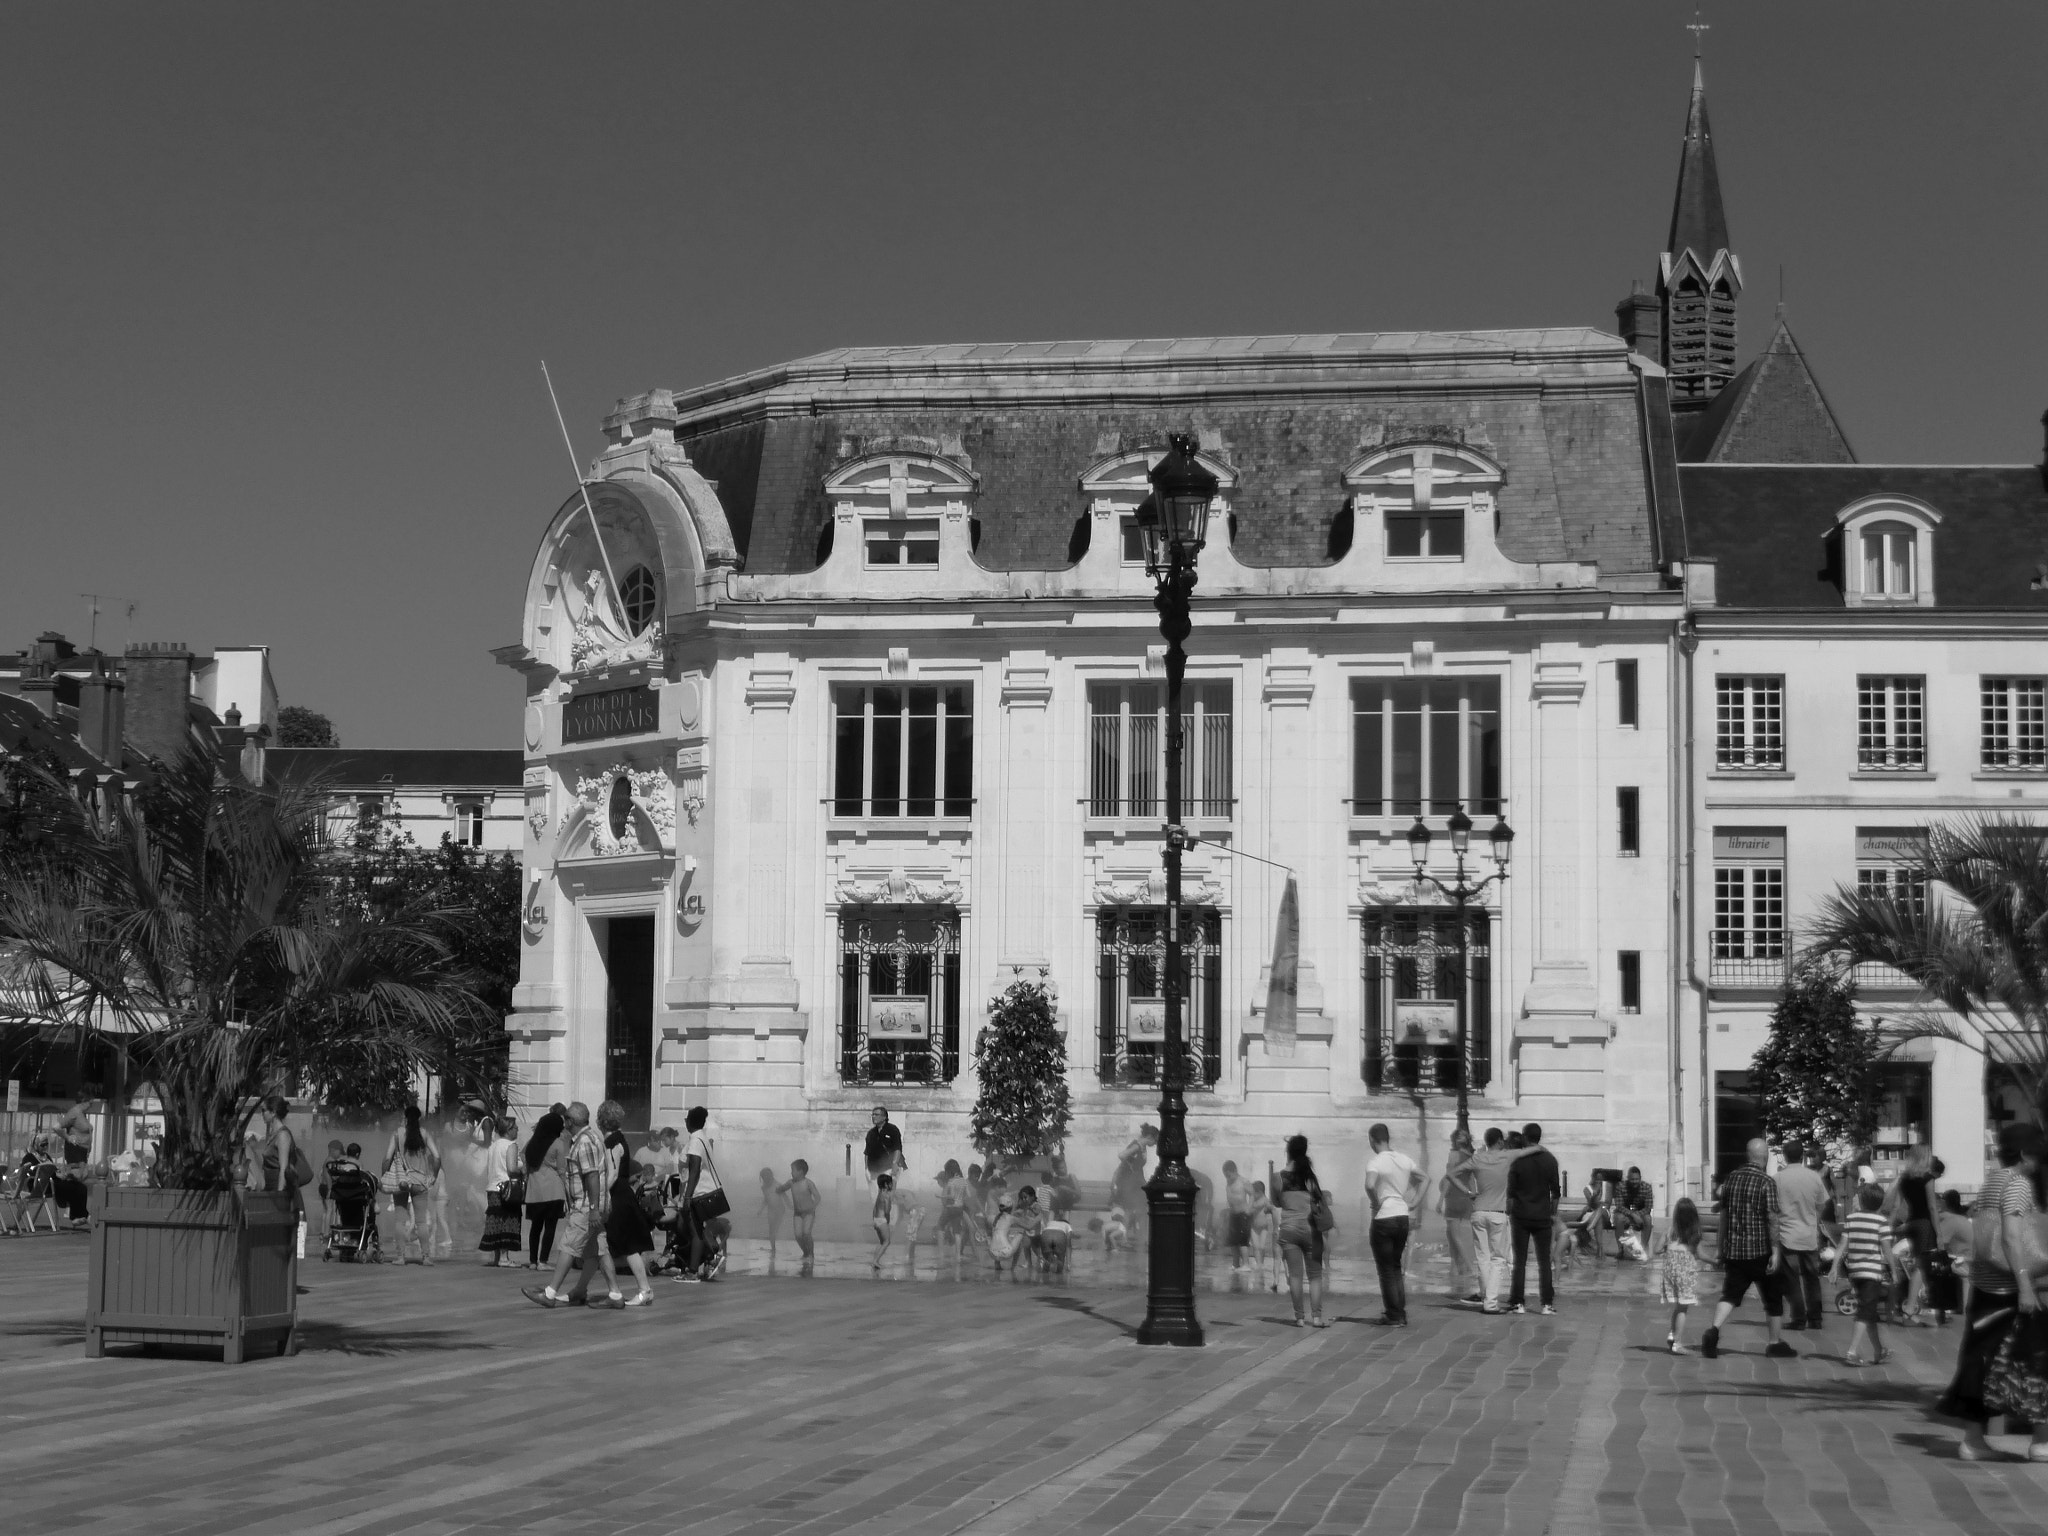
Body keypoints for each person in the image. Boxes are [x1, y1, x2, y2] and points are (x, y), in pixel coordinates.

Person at [1938, 1121, 2047, 1462]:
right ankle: (2037, 1441)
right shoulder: (2018, 1185)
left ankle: (1975, 1439)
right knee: (2030, 1361)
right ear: (2026, 1154)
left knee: (1982, 1360)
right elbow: (2011, 1237)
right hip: (2009, 1288)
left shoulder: (1992, 1182)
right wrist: (2026, 1284)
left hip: (1984, 1286)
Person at [524, 1101, 625, 1309]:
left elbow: (592, 1176)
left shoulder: (585, 1142)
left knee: (568, 1246)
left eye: (566, 1118)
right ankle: (614, 1294)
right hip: (593, 1205)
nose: (564, 1122)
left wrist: (594, 1208)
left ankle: (550, 1293)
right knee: (599, 1248)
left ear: (571, 1121)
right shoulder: (589, 1138)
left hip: (587, 1206)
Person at [1702, 1137, 1796, 1360]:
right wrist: (1775, 1251)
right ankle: (1774, 1343)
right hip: (1760, 1252)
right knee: (1773, 1298)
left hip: (1735, 1251)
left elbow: (1724, 1217)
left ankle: (1713, 1331)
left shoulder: (1731, 1180)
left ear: (1747, 1156)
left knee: (1730, 1295)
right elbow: (1772, 1218)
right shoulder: (1766, 1182)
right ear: (1764, 1157)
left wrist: (1720, 1247)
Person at [1363, 1123, 1424, 1326]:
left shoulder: (1376, 1161)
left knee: (1386, 1269)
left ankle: (1393, 1314)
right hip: (1402, 1216)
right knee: (1396, 1266)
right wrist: (1415, 1201)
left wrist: (1375, 1200)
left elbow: (1370, 1184)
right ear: (1388, 1138)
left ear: (1372, 1139)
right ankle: (1400, 1311)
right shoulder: (1404, 1159)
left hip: (1383, 1217)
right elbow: (1425, 1178)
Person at [597, 1101, 657, 1306]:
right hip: (624, 1194)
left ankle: (644, 1290)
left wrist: (600, 1194)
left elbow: (612, 1173)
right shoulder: (620, 1138)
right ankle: (643, 1290)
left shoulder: (611, 1142)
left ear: (601, 1121)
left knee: (628, 1247)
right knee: (620, 1245)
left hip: (617, 1196)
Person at [1505, 1123, 1561, 1316]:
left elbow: (1510, 1191)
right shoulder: (1550, 1160)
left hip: (1521, 1215)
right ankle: (1546, 1303)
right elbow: (1556, 1192)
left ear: (1525, 1137)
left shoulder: (1517, 1161)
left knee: (1520, 1261)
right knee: (1544, 1261)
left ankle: (1518, 1303)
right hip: (1542, 1215)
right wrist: (1552, 1213)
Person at [1773, 1141, 1829, 1333]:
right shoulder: (1814, 1177)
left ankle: (1798, 1318)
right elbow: (1822, 1204)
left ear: (1785, 1155)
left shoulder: (1778, 1178)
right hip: (1809, 1234)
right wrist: (1814, 1219)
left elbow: (1772, 1207)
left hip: (1787, 1234)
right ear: (1802, 1156)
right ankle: (1815, 1317)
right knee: (1812, 1277)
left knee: (1791, 1279)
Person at [1835, 1182, 1892, 1366]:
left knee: (1870, 1312)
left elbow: (1842, 1246)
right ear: (1880, 1203)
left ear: (1861, 1200)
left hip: (1856, 1273)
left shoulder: (1851, 1219)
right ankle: (1851, 1351)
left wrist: (1834, 1266)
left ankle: (1878, 1351)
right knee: (1865, 1312)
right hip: (1872, 1273)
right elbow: (1887, 1250)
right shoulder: (1881, 1222)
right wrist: (1894, 1270)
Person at [1275, 1134, 1327, 1328]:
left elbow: (1276, 1201)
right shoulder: (1310, 1178)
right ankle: (1316, 1318)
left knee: (1295, 1275)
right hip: (1311, 1231)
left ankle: (1299, 1318)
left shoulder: (1278, 1177)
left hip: (1288, 1230)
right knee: (1315, 1275)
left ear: (1288, 1152)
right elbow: (1319, 1201)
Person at [1890, 1142, 1945, 1323]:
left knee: (1917, 1265)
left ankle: (1912, 1306)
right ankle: (1911, 1307)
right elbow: (1931, 1206)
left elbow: (1897, 1206)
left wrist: (1890, 1227)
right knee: (1921, 1267)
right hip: (1924, 1224)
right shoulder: (1927, 1178)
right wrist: (1939, 1234)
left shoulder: (1904, 1178)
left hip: (1911, 1223)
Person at [382, 1105, 440, 1265]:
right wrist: (433, 1176)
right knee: (421, 1222)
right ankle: (426, 1257)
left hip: (401, 1181)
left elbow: (387, 1158)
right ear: (419, 1118)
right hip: (420, 1182)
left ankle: (400, 1257)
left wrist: (384, 1177)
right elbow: (437, 1157)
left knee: (400, 1220)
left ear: (405, 1118)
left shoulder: (397, 1134)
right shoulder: (425, 1135)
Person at [1470, 1127, 1515, 1314]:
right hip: (1497, 1212)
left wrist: (1469, 1193)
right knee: (1498, 1258)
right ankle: (1490, 1302)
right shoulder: (1505, 1160)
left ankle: (1484, 1294)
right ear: (1499, 1141)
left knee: (1482, 1256)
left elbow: (1452, 1175)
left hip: (1478, 1211)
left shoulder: (1479, 1159)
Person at [678, 1106, 724, 1282]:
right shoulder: (700, 1137)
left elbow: (695, 1169)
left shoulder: (696, 1140)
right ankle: (707, 1258)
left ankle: (694, 1270)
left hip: (699, 1193)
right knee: (693, 1229)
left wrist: (688, 1196)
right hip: (703, 1191)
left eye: (686, 1119)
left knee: (695, 1231)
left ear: (689, 1121)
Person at [522, 1111, 567, 1270]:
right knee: (550, 1227)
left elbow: (523, 1156)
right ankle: (543, 1261)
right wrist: (567, 1191)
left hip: (534, 1191)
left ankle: (533, 1261)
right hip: (553, 1190)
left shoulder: (532, 1142)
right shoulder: (557, 1143)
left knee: (535, 1227)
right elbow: (562, 1170)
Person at [1658, 1197, 1704, 1353]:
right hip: (1686, 1275)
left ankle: (1673, 1334)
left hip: (1670, 1273)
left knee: (1678, 1307)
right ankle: (1677, 1343)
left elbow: (1657, 1249)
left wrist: (1665, 1248)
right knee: (1683, 1308)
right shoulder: (1693, 1233)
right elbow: (1702, 1254)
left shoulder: (1670, 1231)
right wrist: (1717, 1260)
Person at [478, 1115, 524, 1267]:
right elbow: (511, 1168)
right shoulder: (511, 1145)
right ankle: (504, 1258)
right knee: (508, 1219)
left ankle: (498, 1256)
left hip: (492, 1188)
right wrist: (522, 1168)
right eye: (515, 1127)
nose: (517, 1130)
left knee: (496, 1220)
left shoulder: (493, 1145)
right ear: (509, 1129)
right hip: (507, 1188)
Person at [1441, 1131, 1480, 1303]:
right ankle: (1457, 1269)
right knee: (1454, 1235)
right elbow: (1472, 1180)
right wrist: (1473, 1197)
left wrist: (1440, 1199)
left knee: (1454, 1236)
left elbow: (1449, 1179)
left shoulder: (1454, 1155)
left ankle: (1469, 1268)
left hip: (1453, 1197)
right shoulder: (1471, 1156)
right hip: (1466, 1199)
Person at [779, 1159, 821, 1274]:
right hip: (797, 1213)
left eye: (793, 1170)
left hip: (808, 1213)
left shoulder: (808, 1183)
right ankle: (805, 1252)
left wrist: (813, 1207)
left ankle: (811, 1254)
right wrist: (778, 1191)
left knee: (806, 1233)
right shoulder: (791, 1183)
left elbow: (817, 1197)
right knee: (798, 1235)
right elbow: (782, 1188)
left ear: (801, 1172)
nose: (791, 1173)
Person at [1222, 1160, 1254, 1270]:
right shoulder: (1228, 1182)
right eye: (1226, 1176)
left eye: (1229, 1175)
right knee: (1233, 1241)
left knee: (1243, 1240)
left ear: (1235, 1171)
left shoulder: (1243, 1181)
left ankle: (1246, 1264)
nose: (1228, 1178)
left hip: (1243, 1214)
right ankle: (1235, 1264)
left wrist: (1249, 1208)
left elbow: (1252, 1194)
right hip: (1233, 1214)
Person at [863, 1106, 905, 1185]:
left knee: (886, 1193)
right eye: (872, 1114)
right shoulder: (871, 1133)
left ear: (884, 1117)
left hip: (888, 1168)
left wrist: (894, 1164)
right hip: (873, 1170)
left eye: (876, 1114)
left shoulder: (892, 1130)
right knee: (874, 1195)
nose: (873, 1117)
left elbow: (897, 1148)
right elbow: (867, 1152)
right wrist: (866, 1168)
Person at [1616, 1167, 1655, 1244]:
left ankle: (1643, 1247)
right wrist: (1633, 1215)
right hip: (1625, 1213)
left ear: (1640, 1178)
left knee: (1648, 1219)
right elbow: (1619, 1206)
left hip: (1641, 1213)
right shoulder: (1620, 1186)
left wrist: (1637, 1215)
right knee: (1619, 1218)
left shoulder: (1647, 1187)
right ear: (1628, 1178)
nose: (1634, 1181)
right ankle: (1621, 1250)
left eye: (1636, 1179)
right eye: (1632, 1179)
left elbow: (1648, 1207)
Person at [759, 1168, 788, 1262]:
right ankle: (773, 1248)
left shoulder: (777, 1185)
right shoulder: (764, 1187)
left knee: (775, 1229)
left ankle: (776, 1245)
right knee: (771, 1229)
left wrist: (791, 1206)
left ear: (771, 1175)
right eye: (764, 1177)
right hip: (771, 1209)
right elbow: (766, 1199)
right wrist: (761, 1209)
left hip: (780, 1209)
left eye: (767, 1176)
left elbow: (785, 1196)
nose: (766, 1178)